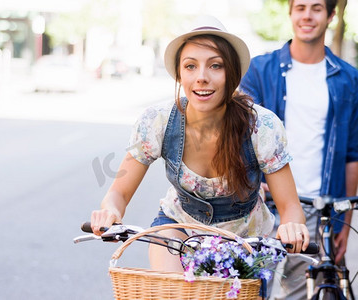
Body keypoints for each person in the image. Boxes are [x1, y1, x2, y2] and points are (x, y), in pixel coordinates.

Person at [90, 15, 310, 274]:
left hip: (244, 242)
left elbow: (290, 207)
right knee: (169, 287)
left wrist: (292, 225)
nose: (201, 77)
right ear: (179, 73)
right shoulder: (157, 121)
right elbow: (119, 193)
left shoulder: (262, 126)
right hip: (178, 228)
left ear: (232, 73)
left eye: (215, 66)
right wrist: (110, 211)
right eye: (190, 66)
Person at [239, 0, 358, 299]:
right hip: (263, 203)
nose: (307, 15)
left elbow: (353, 154)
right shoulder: (260, 69)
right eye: (300, 7)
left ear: (331, 15)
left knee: (299, 293)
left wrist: (344, 221)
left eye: (316, 8)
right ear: (291, 13)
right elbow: (237, 136)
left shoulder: (348, 79)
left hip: (317, 207)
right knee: (250, 289)